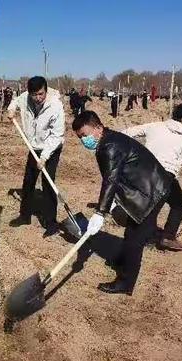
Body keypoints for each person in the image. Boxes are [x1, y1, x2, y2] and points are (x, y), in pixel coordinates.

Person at [72, 111, 173, 295]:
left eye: (85, 135)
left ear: (98, 128)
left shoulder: (108, 146)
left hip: (152, 191)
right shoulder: (109, 139)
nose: (84, 140)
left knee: (135, 238)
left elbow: (110, 180)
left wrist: (100, 212)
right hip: (151, 186)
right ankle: (125, 261)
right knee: (133, 232)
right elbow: (115, 178)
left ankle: (126, 282)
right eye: (80, 138)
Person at [121, 103, 182, 250]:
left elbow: (127, 132)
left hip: (144, 171)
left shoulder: (155, 126)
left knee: (150, 207)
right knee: (177, 205)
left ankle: (146, 235)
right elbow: (179, 164)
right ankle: (166, 237)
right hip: (166, 175)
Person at [8, 76, 65, 227]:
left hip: (51, 148)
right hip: (34, 147)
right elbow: (16, 101)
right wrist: (11, 109)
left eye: (41, 94)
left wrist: (44, 157)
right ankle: (24, 216)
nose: (38, 98)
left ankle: (50, 221)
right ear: (29, 93)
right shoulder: (26, 97)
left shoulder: (55, 106)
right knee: (28, 181)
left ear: (46, 90)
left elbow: (57, 135)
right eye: (34, 95)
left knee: (48, 183)